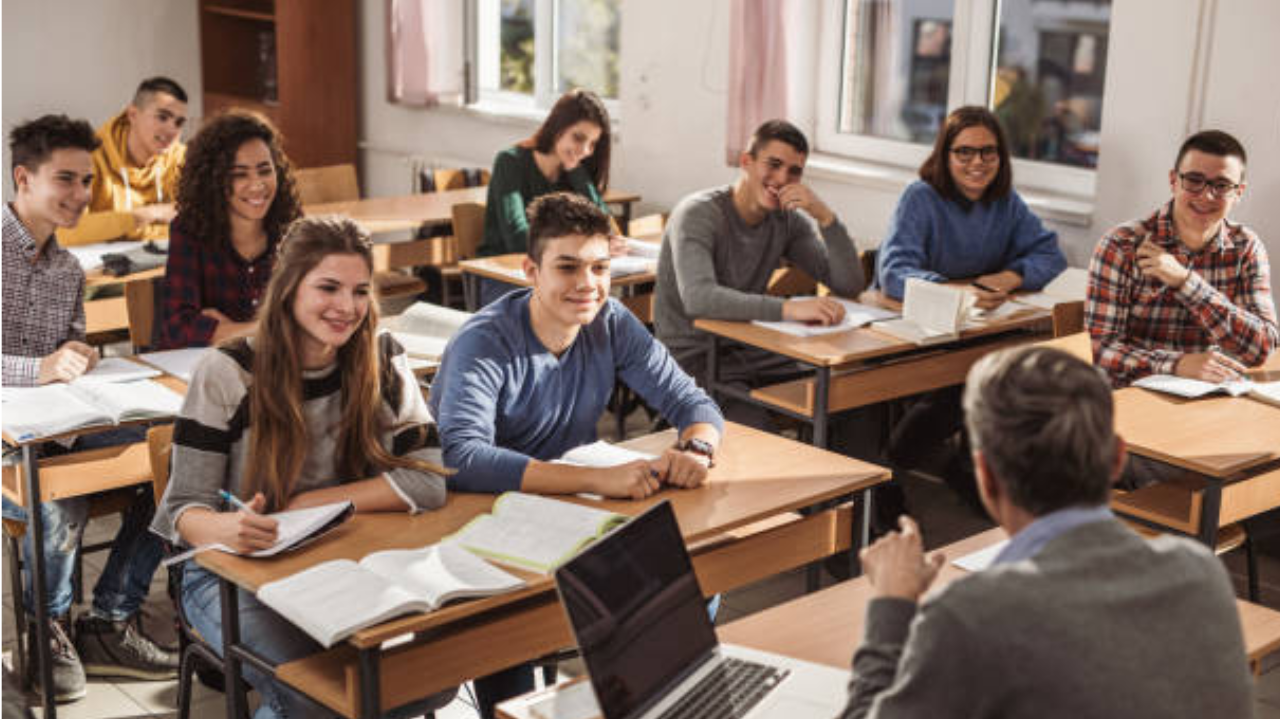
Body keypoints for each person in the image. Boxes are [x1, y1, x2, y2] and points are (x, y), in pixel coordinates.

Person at [429, 192, 724, 717]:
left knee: (695, 585)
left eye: (599, 268)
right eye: (567, 267)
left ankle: (622, 704)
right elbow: (461, 459)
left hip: (569, 516)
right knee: (513, 642)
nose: (587, 284)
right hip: (483, 524)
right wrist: (594, 481)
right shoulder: (485, 341)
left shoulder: (610, 320)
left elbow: (691, 400)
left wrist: (698, 446)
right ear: (530, 271)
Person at [838, 346, 1254, 719]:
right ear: (1116, 458)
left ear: (985, 475)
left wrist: (893, 602)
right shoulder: (1200, 573)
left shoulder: (970, 615)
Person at [151, 216, 455, 719]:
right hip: (229, 576)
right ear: (288, 287)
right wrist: (227, 525)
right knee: (321, 698)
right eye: (328, 288)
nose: (347, 307)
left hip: (343, 556)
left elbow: (428, 481)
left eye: (360, 291)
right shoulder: (226, 372)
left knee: (430, 681)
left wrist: (309, 504)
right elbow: (184, 509)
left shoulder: (382, 356)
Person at [2, 115, 177, 703]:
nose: (80, 194)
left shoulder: (69, 269)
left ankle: (109, 617)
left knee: (177, 453)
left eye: (85, 180)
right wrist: (40, 368)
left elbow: (72, 347)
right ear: (23, 178)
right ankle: (43, 630)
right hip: (10, 443)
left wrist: (80, 355)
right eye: (65, 180)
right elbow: (41, 366)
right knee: (55, 488)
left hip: (59, 425)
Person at [875, 105, 1067, 516]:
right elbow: (893, 273)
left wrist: (1010, 278)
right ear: (945, 155)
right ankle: (903, 460)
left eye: (988, 152)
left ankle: (957, 465)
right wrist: (960, 292)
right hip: (919, 332)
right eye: (964, 152)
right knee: (972, 382)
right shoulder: (921, 197)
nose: (977, 163)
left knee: (1012, 376)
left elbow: (1050, 254)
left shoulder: (1006, 203)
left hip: (976, 330)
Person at [654, 119, 865, 426]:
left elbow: (849, 284)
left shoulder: (787, 220)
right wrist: (789, 308)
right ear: (746, 162)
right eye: (774, 164)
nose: (782, 178)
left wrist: (825, 216)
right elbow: (699, 298)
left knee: (845, 400)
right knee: (757, 430)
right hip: (691, 357)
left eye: (794, 171)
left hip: (748, 349)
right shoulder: (698, 214)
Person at [1086, 129, 1277, 388]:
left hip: (1209, 394)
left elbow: (1262, 349)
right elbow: (1101, 352)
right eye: (1194, 180)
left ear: (1238, 192)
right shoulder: (1122, 245)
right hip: (1133, 395)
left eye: (1221, 186)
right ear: (1173, 180)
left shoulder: (1246, 248)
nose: (1206, 195)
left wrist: (1186, 283)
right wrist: (1176, 365)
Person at [157, 110, 302, 349]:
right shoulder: (189, 231)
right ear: (213, 180)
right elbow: (177, 329)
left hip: (277, 368)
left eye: (265, 170)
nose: (257, 185)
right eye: (239, 175)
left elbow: (309, 318)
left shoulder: (292, 227)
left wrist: (221, 332)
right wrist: (265, 328)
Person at [477, 89, 616, 306]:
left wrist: (576, 170)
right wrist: (566, 251)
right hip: (503, 276)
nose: (584, 150)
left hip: (556, 274)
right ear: (557, 127)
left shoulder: (573, 172)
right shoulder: (510, 162)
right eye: (578, 138)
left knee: (599, 302)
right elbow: (516, 237)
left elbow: (604, 225)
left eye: (592, 144)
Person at [57, 76, 188, 246]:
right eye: (162, 117)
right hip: (99, 268)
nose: (172, 130)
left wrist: (120, 230)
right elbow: (65, 230)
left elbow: (197, 224)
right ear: (132, 115)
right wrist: (145, 215)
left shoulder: (181, 158)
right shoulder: (88, 157)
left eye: (179, 123)